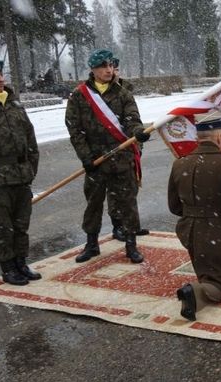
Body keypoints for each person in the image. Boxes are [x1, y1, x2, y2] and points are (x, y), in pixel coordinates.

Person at [65, 49, 150, 264]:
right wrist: (85, 157)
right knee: (93, 204)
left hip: (121, 158)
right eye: (104, 66)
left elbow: (132, 117)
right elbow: (74, 130)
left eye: (111, 66)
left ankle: (131, 245)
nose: (109, 70)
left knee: (128, 204)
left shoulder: (123, 93)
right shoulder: (79, 96)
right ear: (93, 70)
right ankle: (91, 244)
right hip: (95, 161)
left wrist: (137, 131)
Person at [168, 112, 221, 321]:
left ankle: (201, 286)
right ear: (219, 137)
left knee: (206, 269)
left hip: (190, 231)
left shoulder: (180, 163)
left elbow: (174, 205)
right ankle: (195, 294)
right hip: (217, 230)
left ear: (198, 138)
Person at [0, 60, 41, 285]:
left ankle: (21, 263)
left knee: (21, 224)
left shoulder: (14, 104)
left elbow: (30, 138)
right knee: (2, 227)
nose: (1, 79)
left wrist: (31, 167)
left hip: (21, 176)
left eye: (1, 74)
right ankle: (8, 268)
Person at [109, 56, 149, 241]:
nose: (114, 73)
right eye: (111, 69)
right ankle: (118, 226)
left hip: (130, 148)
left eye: (116, 69)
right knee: (115, 191)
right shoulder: (98, 95)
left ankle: (132, 225)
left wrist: (138, 143)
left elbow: (134, 119)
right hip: (112, 150)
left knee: (131, 188)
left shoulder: (125, 91)